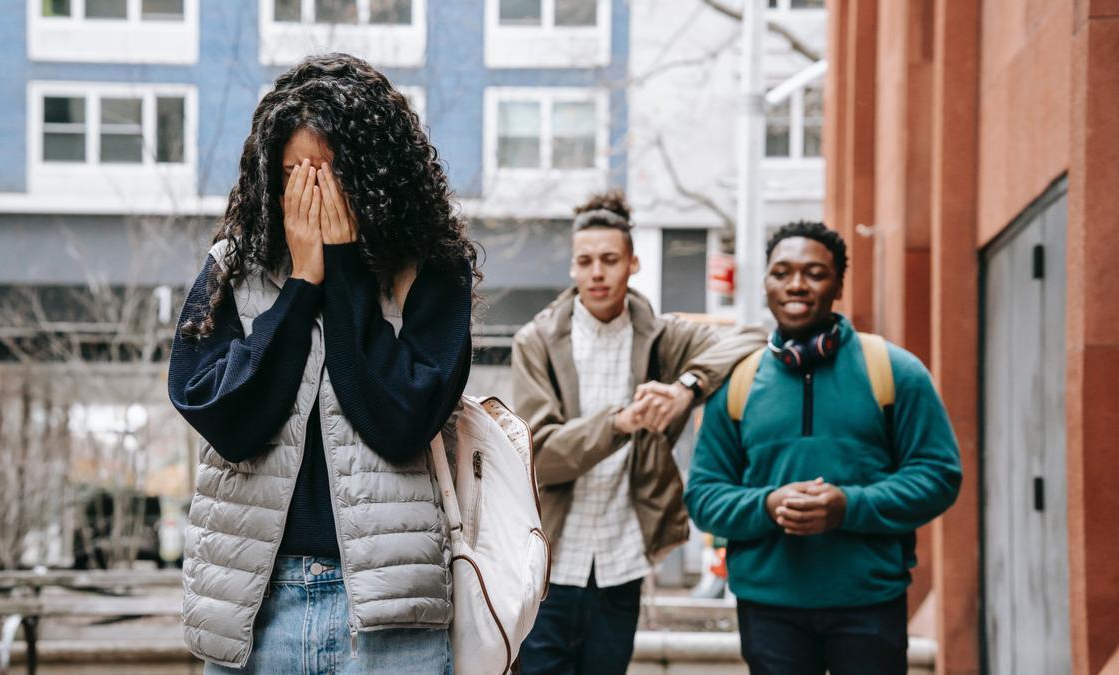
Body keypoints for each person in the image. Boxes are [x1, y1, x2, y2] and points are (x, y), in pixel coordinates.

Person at [167, 53, 477, 674]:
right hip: (256, 605)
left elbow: (398, 422)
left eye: (330, 175)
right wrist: (301, 286)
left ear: (375, 175)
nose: (310, 195)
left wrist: (344, 275)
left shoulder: (431, 271)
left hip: (389, 616)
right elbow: (226, 419)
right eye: (292, 175)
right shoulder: (234, 265)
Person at [684, 222, 963, 675]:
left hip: (870, 603)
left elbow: (938, 475)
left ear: (838, 285)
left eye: (814, 273)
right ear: (766, 283)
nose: (796, 284)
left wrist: (848, 506)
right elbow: (703, 496)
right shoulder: (737, 382)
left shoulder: (895, 371)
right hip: (767, 607)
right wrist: (768, 504)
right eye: (782, 272)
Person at [511, 190, 765, 674]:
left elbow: (751, 337)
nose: (597, 273)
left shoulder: (663, 335)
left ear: (634, 262)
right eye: (585, 261)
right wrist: (620, 422)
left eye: (610, 259)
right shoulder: (537, 341)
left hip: (622, 559)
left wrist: (687, 388)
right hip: (549, 563)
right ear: (572, 267)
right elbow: (539, 456)